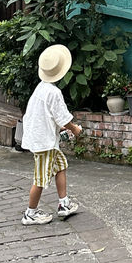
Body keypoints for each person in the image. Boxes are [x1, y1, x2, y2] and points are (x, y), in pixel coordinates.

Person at [20, 44, 83, 226]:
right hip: (44, 143)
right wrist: (73, 129)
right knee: (40, 179)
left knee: (61, 165)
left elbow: (45, 116)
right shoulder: (54, 92)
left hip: (42, 138)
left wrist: (60, 128)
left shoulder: (40, 88)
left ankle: (64, 203)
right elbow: (63, 118)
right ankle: (30, 213)